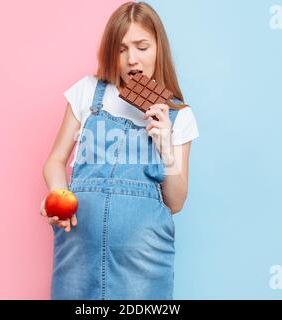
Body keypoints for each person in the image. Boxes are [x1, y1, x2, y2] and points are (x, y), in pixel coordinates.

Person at [40, 1, 199, 300]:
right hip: (78, 252)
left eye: (142, 47)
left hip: (144, 261)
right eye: (122, 48)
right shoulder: (88, 92)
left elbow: (175, 202)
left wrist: (165, 145)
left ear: (158, 49)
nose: (131, 59)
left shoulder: (179, 115)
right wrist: (58, 196)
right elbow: (55, 161)